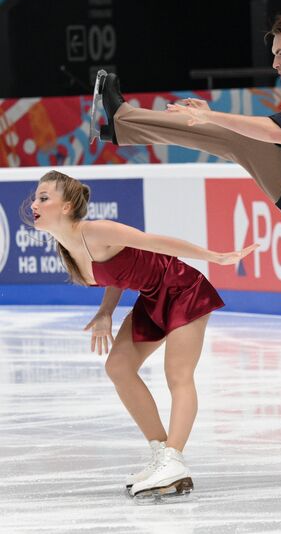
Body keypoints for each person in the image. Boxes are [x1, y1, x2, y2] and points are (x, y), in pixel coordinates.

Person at [91, 10, 281, 487]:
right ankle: (121, 125)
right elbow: (269, 135)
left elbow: (272, 133)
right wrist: (210, 120)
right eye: (273, 55)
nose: (275, 64)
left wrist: (208, 114)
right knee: (231, 139)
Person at [28, 169, 257, 498]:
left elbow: (155, 242)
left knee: (177, 374)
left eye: (43, 197)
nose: (35, 203)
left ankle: (174, 459)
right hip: (152, 298)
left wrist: (214, 256)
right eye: (36, 197)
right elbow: (115, 273)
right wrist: (106, 311)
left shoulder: (95, 231)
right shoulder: (68, 249)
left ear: (65, 207)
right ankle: (162, 453)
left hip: (182, 288)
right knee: (118, 366)